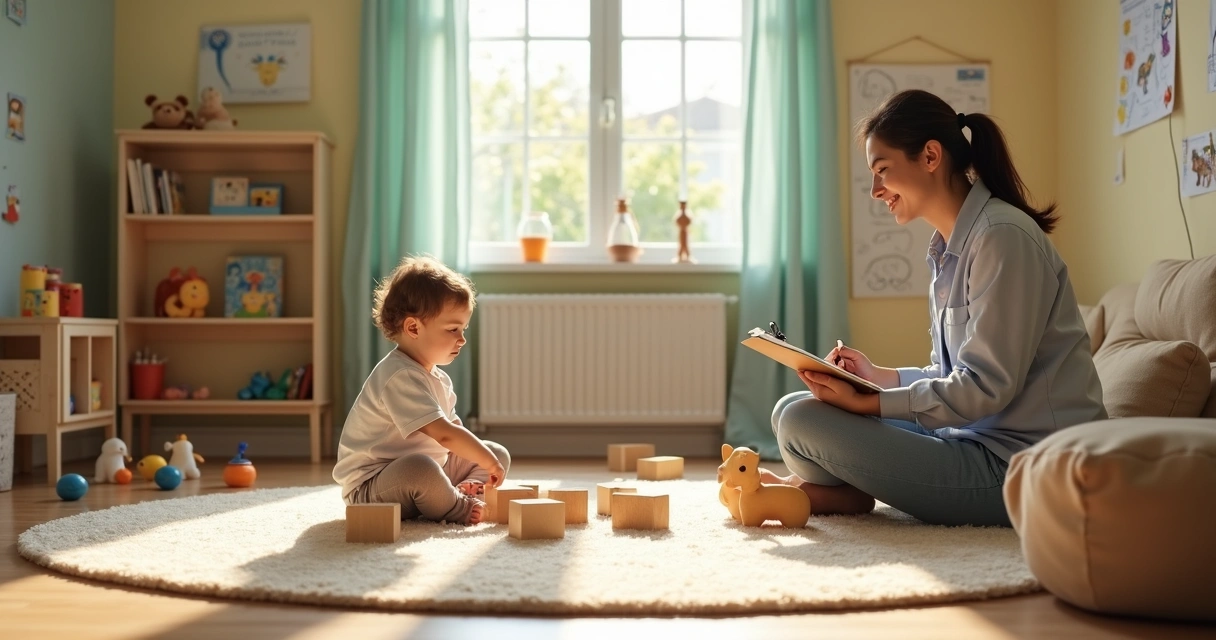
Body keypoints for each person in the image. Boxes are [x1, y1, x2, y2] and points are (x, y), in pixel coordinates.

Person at [763, 89, 1106, 527]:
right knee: (792, 408)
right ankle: (854, 489)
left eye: (882, 170)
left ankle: (851, 488)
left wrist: (870, 405)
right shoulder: (948, 249)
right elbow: (950, 374)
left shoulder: (1003, 238)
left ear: (930, 156)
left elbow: (984, 388)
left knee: (802, 421)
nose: (875, 191)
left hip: (1024, 467)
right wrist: (876, 378)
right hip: (969, 438)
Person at [334, 255, 509, 525]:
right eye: (453, 329)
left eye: (463, 329)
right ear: (413, 328)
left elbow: (455, 434)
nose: (462, 339)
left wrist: (487, 460)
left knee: (497, 453)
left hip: (430, 468)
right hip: (373, 486)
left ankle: (460, 491)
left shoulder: (439, 378)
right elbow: (445, 434)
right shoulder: (398, 375)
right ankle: (457, 507)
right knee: (422, 469)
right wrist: (485, 460)